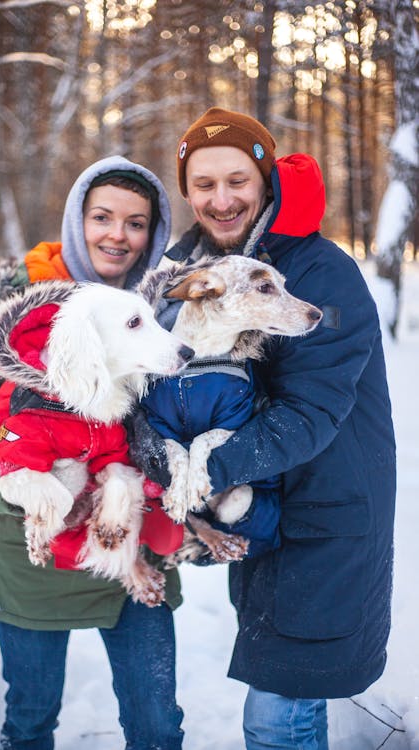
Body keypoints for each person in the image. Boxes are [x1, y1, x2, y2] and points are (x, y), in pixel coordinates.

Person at [134, 107, 396, 749]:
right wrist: (161, 458)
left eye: (237, 180)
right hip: (263, 517)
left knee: (278, 718)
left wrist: (192, 474)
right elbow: (162, 390)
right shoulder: (186, 275)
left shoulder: (316, 273)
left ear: (265, 179)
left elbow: (310, 412)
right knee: (282, 698)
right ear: (187, 190)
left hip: (327, 522)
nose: (221, 200)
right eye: (203, 184)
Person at [0, 156, 184, 750]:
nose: (118, 234)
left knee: (157, 726)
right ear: (77, 221)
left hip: (132, 554)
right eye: (102, 217)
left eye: (136, 223)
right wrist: (30, 491)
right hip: (32, 563)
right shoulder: (24, 315)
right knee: (31, 722)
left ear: (154, 233)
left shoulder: (167, 315)